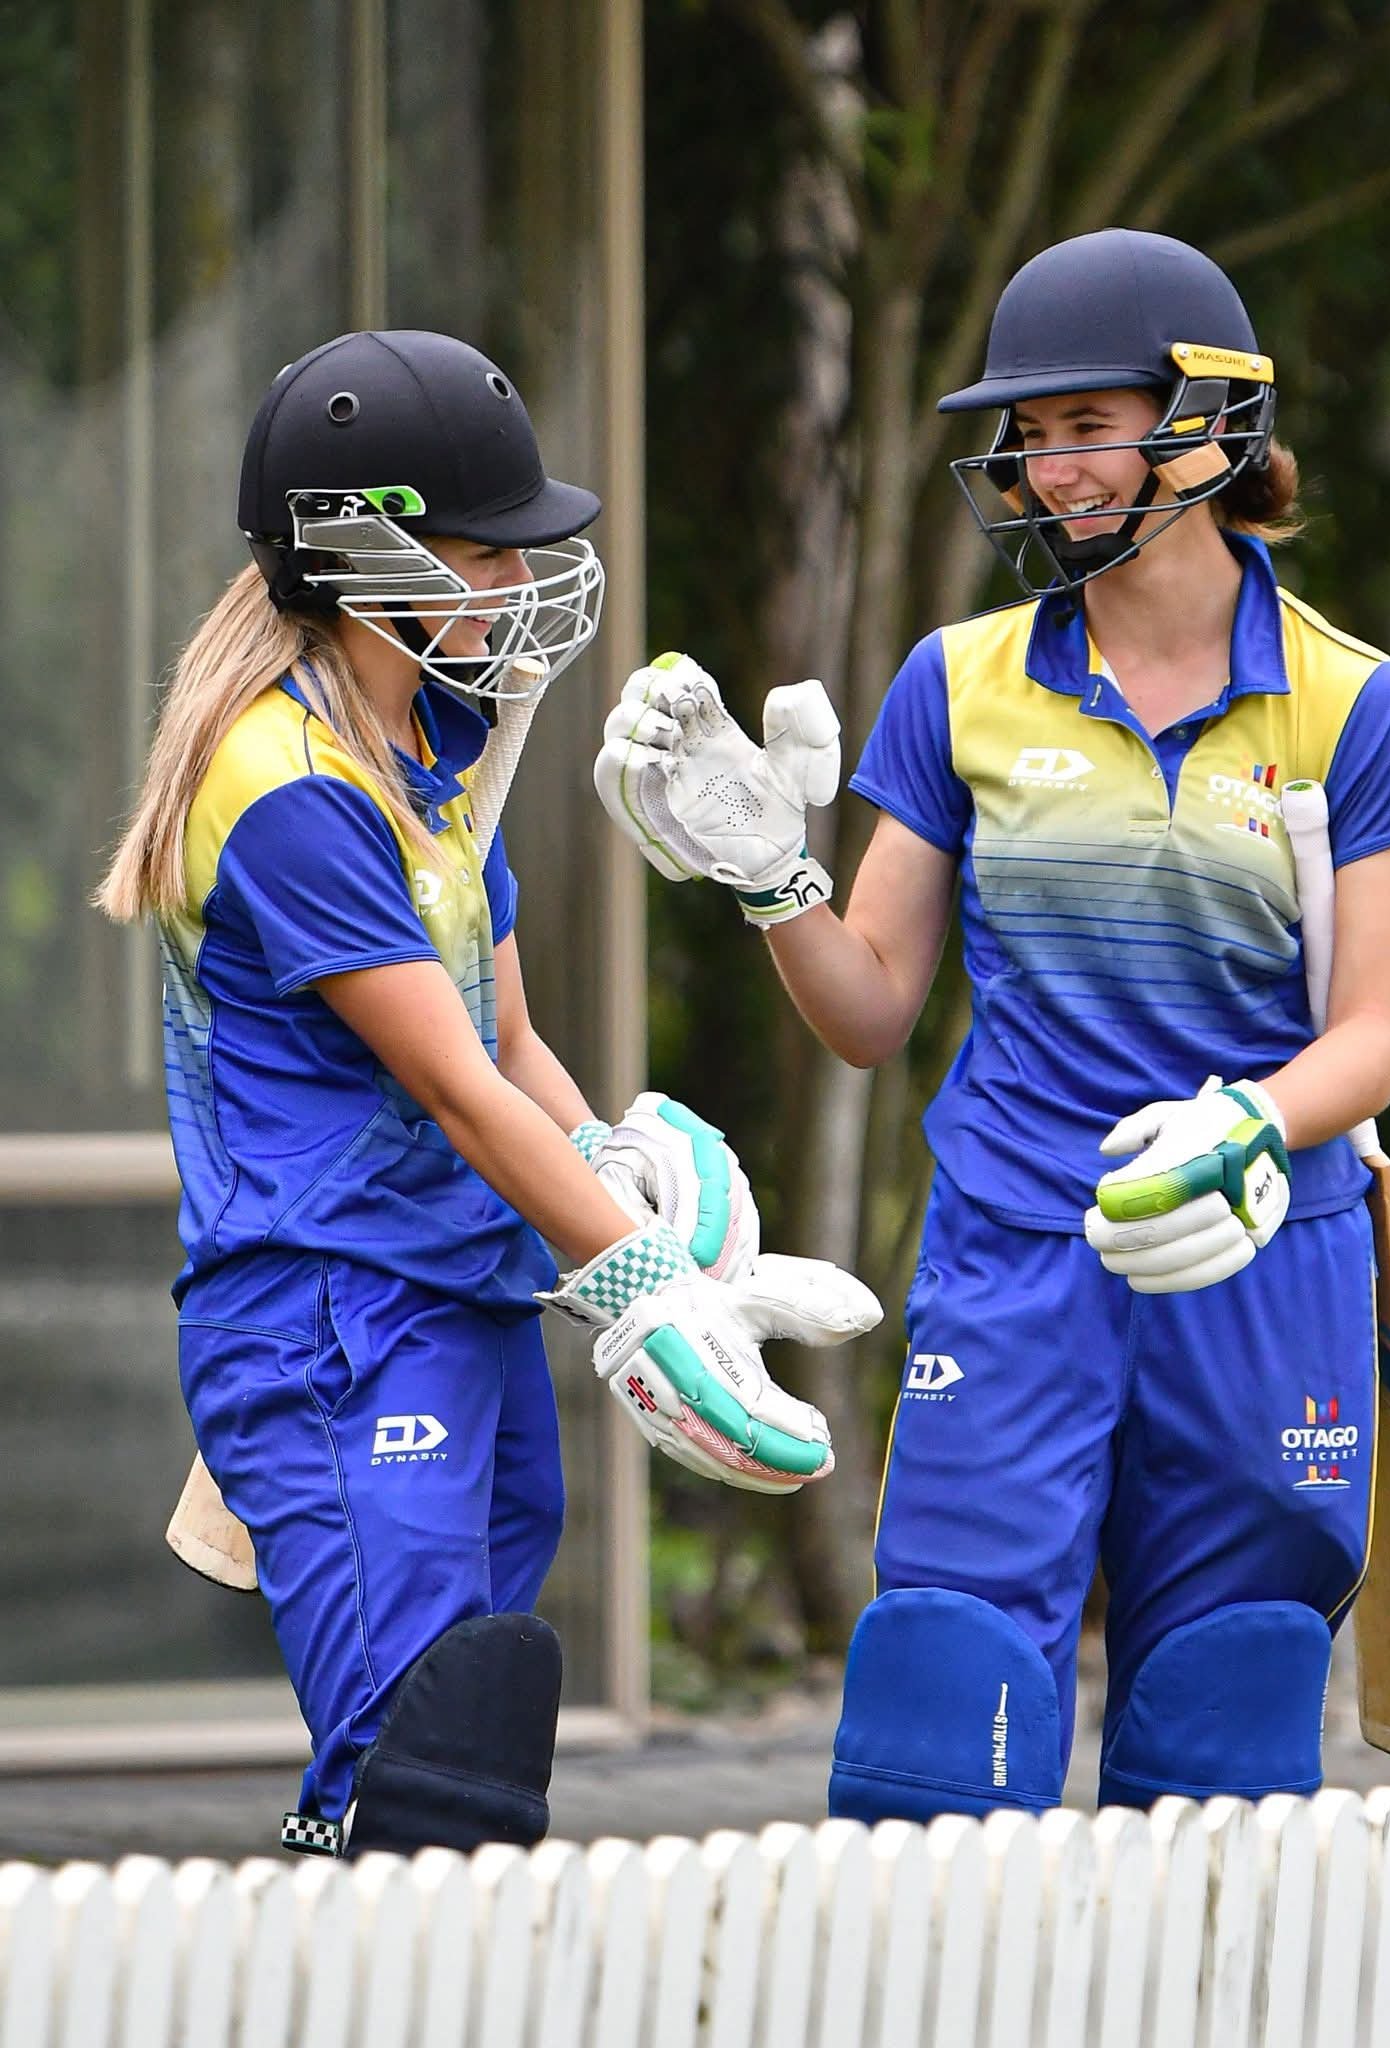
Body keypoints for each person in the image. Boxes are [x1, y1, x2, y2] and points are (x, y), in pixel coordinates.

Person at [593, 230, 1390, 1818]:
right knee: (942, 1703)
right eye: (1029, 434)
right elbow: (866, 1011)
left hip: (1256, 1249)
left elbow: (1370, 1035)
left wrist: (1245, 1122)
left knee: (1224, 1722)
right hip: (1013, 1252)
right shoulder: (958, 680)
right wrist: (770, 874)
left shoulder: (1352, 702)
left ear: (1208, 422)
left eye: (1083, 425)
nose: (1046, 469)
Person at [96, 329, 877, 1858]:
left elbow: (509, 1041)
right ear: (363, 550)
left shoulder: (434, 741)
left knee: (480, 1750)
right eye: (485, 551)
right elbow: (450, 1089)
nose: (523, 585)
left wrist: (613, 1176)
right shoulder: (289, 786)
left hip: (465, 1296)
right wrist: (639, 1284)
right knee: (406, 1778)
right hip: (330, 1322)